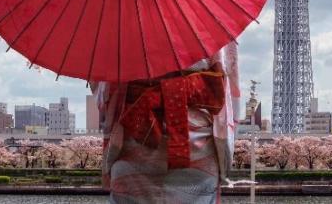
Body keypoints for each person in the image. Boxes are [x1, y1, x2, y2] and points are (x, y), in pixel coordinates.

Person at [95, 42, 239, 203]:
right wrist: (225, 154)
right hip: (198, 142)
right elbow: (227, 80)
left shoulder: (117, 22)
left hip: (135, 132)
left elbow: (104, 90)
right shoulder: (211, 20)